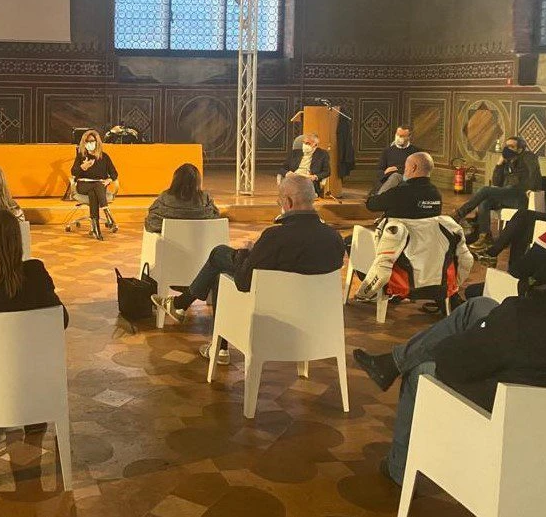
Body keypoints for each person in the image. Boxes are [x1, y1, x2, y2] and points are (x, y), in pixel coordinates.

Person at [354, 232, 546, 486]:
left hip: (507, 420)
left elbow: (455, 365)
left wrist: (478, 334)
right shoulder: (521, 316)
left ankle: (399, 467)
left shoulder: (522, 316)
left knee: (420, 370)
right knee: (479, 306)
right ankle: (394, 361)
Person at [154, 175, 345, 364]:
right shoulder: (334, 239)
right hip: (316, 323)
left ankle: (217, 343)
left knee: (221, 268)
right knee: (221, 256)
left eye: (279, 200)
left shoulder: (275, 237)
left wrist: (247, 253)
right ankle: (182, 306)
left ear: (288, 202)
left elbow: (243, 282)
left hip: (270, 315)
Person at [466, 188, 546, 294]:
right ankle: (491, 253)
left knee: (471, 291)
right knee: (525, 217)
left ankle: (491, 254)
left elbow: (519, 271)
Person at [453, 136, 542, 249]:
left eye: (511, 146)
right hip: (506, 194)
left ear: (520, 149)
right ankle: (485, 236)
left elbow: (534, 172)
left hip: (519, 195)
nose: (507, 149)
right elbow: (496, 182)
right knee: (485, 202)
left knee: (485, 190)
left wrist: (531, 188)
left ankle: (460, 213)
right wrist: (499, 164)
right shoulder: (507, 161)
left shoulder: (528, 156)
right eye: (506, 146)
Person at [144, 163, 220, 233]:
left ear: (175, 180)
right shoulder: (205, 198)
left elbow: (152, 220)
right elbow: (215, 217)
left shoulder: (165, 196)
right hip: (199, 238)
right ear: (198, 181)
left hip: (169, 239)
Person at [71, 129, 119, 240]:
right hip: (83, 185)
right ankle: (107, 213)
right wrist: (83, 167)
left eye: (92, 141)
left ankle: (96, 228)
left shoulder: (104, 157)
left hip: (98, 186)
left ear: (97, 142)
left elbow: (114, 173)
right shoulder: (81, 156)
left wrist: (109, 180)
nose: (89, 143)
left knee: (94, 192)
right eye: (87, 141)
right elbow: (73, 172)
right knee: (98, 185)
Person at [365, 152, 442, 219]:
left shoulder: (398, 193)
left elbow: (371, 204)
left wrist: (383, 178)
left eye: (406, 167)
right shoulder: (437, 194)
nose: (404, 171)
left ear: (413, 168)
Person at [373, 126, 423, 194]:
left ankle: (379, 196)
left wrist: (397, 170)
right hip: (388, 177)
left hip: (407, 179)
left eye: (402, 136)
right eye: (397, 134)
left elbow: (419, 170)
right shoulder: (387, 151)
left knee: (396, 176)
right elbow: (379, 169)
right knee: (392, 178)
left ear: (409, 137)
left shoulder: (416, 152)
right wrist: (385, 172)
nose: (398, 137)